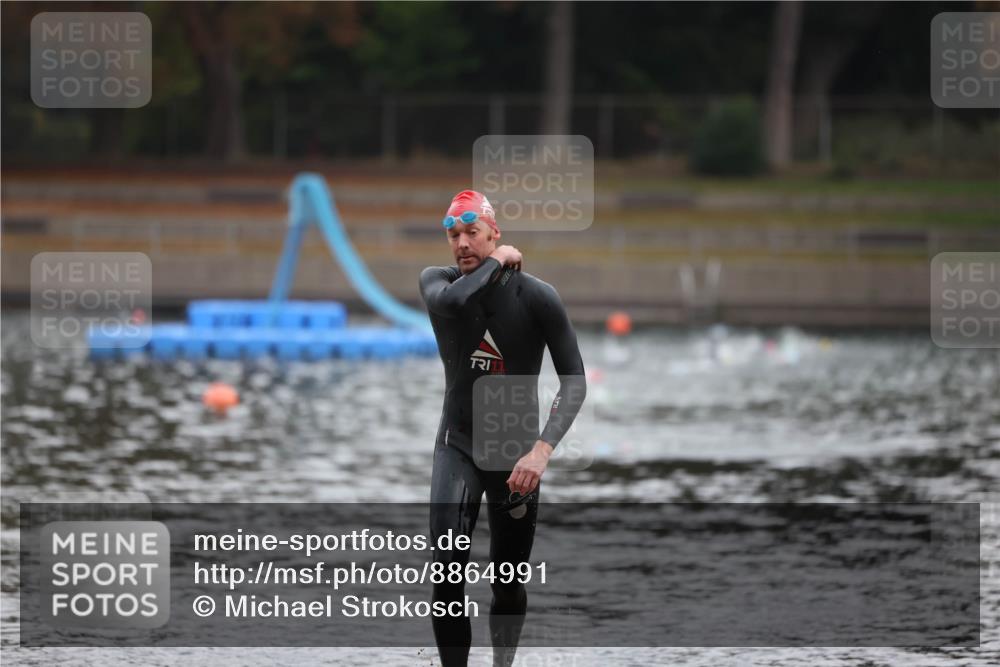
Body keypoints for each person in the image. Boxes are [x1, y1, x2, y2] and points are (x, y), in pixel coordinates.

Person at [419, 190, 587, 667]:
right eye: (454, 235)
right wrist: (499, 262)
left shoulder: (537, 297)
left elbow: (574, 382)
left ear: (494, 233)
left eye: (473, 233)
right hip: (457, 447)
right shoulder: (437, 284)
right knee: (448, 572)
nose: (462, 244)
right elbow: (459, 301)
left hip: (516, 456)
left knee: (507, 581)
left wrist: (542, 450)